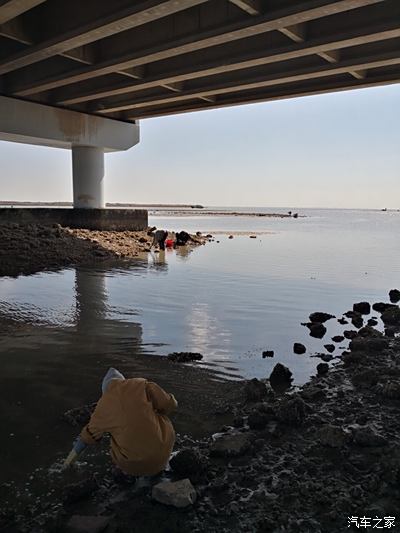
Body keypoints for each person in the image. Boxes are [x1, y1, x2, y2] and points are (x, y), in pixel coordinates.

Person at [64, 368, 178, 476]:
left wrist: (67, 463)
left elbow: (86, 438)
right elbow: (170, 405)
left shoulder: (101, 408)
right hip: (164, 453)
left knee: (113, 434)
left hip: (133, 467)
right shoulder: (142, 384)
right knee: (159, 415)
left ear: (105, 391)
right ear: (122, 381)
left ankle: (126, 473)